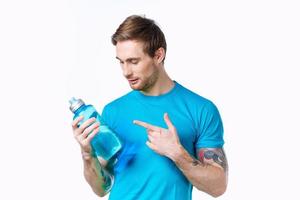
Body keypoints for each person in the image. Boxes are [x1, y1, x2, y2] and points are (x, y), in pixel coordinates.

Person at [71, 15, 228, 200]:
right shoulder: (112, 111)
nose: (125, 71)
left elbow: (217, 187)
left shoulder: (201, 109)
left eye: (133, 61)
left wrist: (177, 153)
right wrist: (88, 154)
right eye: (121, 61)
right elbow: (102, 188)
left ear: (158, 55)